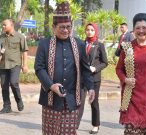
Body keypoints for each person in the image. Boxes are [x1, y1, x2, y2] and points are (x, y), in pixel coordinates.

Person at [34, 2, 95, 135]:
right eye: (62, 27)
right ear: (53, 27)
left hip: (72, 98)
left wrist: (91, 87)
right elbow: (39, 68)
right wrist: (51, 85)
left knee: (69, 132)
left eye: (68, 27)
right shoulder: (44, 44)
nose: (66, 30)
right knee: (51, 132)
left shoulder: (79, 44)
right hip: (51, 99)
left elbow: (85, 69)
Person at [77, 23, 108, 134]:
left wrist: (95, 68)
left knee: (94, 102)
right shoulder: (81, 44)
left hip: (94, 78)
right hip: (82, 78)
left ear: (95, 31)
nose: (89, 32)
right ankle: (75, 125)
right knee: (79, 101)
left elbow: (105, 63)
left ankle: (96, 125)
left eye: (91, 30)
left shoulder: (99, 45)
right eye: (87, 30)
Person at [0, 19, 28, 113]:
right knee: (4, 86)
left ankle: (19, 101)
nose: (3, 27)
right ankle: (7, 106)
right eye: (2, 25)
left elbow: (24, 52)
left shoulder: (20, 37)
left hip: (15, 64)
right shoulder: (1, 37)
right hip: (3, 65)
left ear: (11, 25)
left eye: (5, 25)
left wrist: (25, 65)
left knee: (13, 83)